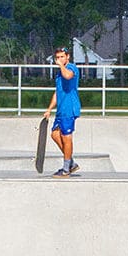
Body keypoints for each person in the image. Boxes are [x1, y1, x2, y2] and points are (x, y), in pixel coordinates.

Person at [42, 47, 81, 177]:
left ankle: (65, 169)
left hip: (70, 108)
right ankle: (71, 163)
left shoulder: (71, 68)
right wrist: (49, 109)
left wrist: (61, 66)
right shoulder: (59, 74)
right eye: (57, 58)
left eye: (62, 57)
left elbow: (68, 76)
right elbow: (57, 93)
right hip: (61, 110)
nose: (59, 60)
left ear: (67, 57)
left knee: (66, 137)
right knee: (55, 135)